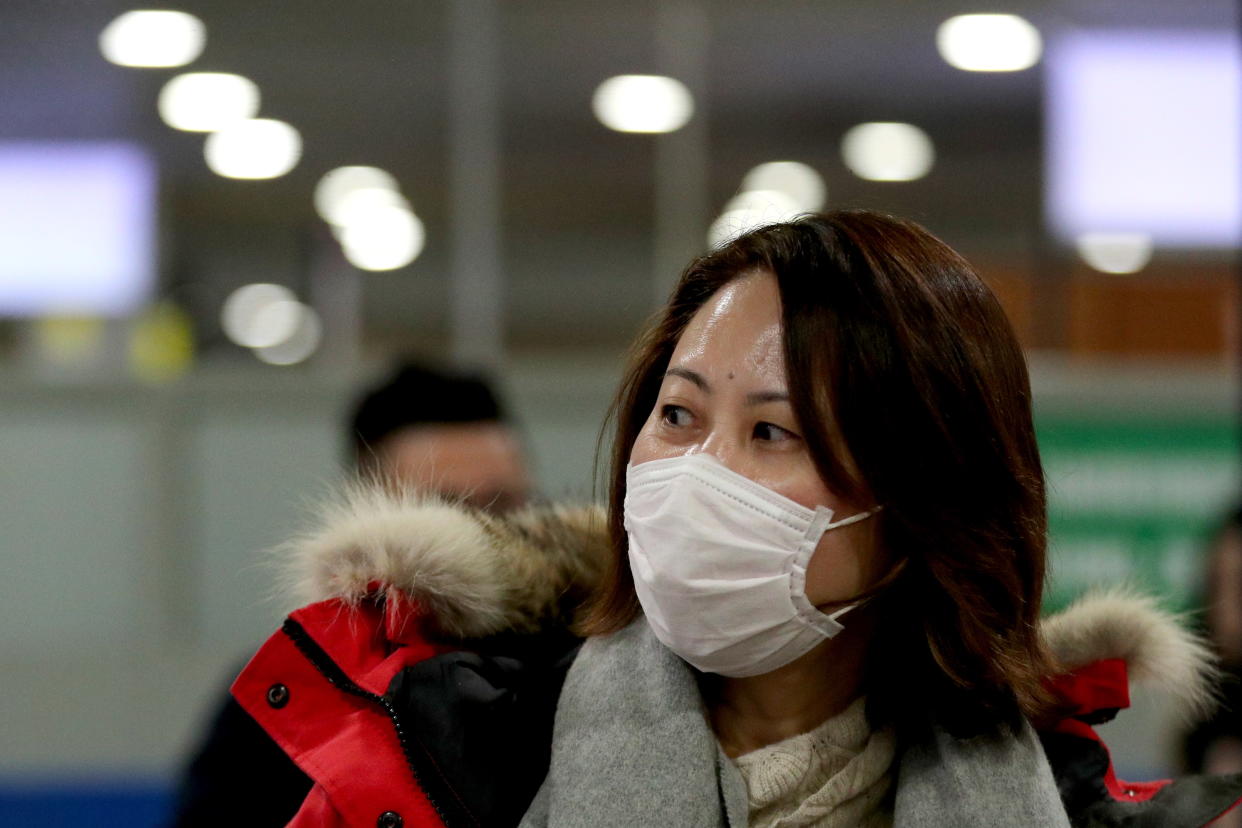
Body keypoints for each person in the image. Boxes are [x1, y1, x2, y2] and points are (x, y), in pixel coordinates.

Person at [231, 212, 1242, 827]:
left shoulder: (1060, 811)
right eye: (677, 415)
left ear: (923, 508)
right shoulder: (443, 764)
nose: (694, 476)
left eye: (774, 434)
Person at [169, 362, 532, 826]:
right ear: (366, 517)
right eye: (444, 509)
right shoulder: (289, 697)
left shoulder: (578, 669)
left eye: (503, 504)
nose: (480, 533)